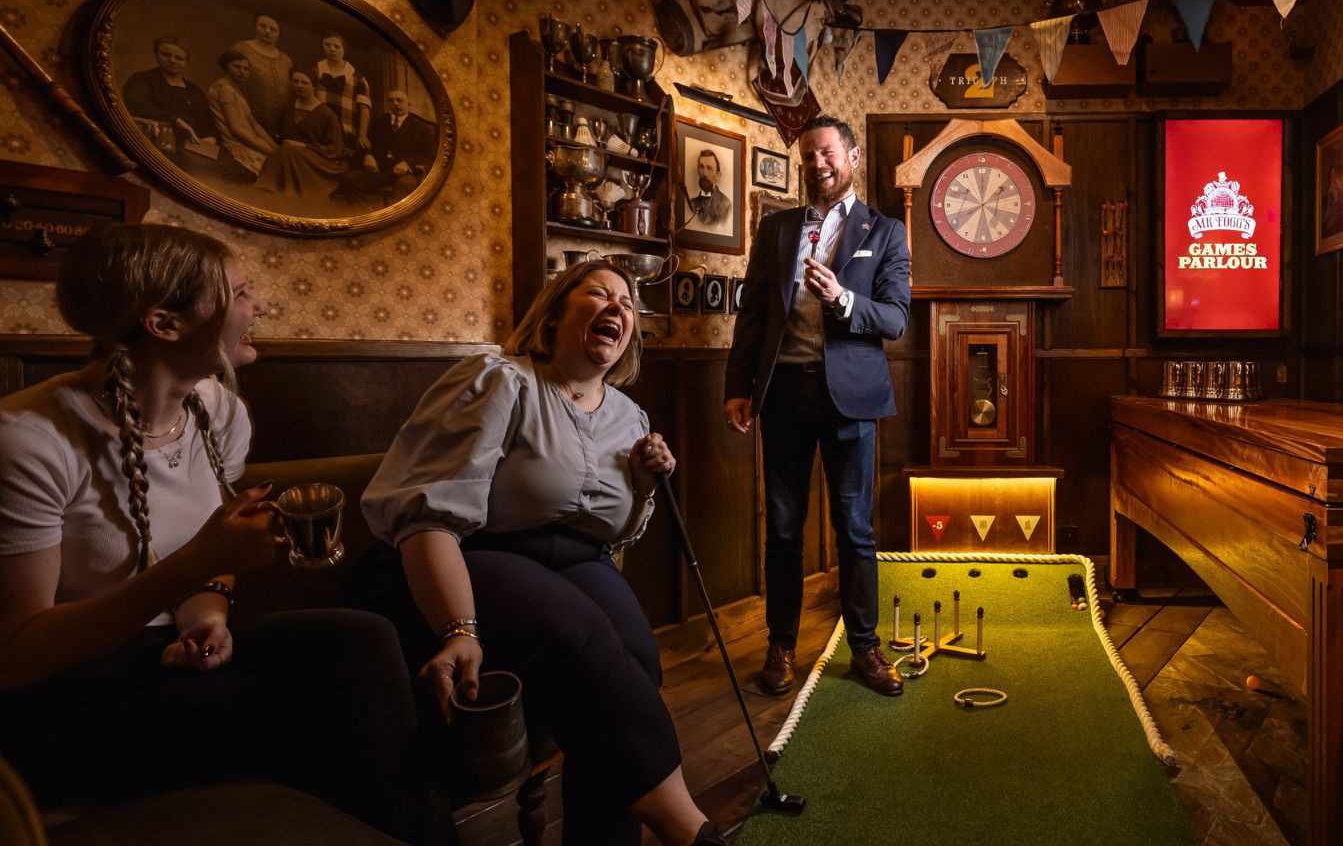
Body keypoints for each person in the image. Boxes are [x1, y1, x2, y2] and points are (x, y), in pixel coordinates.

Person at [0, 224, 450, 843]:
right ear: (164, 324)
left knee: (360, 639)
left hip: (168, 659)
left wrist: (205, 619)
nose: (259, 305)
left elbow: (209, 562)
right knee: (329, 717)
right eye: (238, 292)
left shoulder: (217, 409)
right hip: (65, 693)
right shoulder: (29, 440)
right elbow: (18, 656)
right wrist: (189, 571)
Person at [360, 262, 725, 846]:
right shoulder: (503, 380)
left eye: (628, 304)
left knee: (639, 660)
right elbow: (428, 514)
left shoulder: (630, 417)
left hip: (579, 560)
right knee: (577, 633)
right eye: (599, 294)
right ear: (555, 314)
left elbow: (617, 534)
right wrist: (459, 629)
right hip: (483, 550)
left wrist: (645, 484)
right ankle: (690, 830)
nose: (618, 308)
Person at [723, 116, 911, 697]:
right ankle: (781, 648)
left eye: (826, 153)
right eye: (808, 156)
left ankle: (865, 648)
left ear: (850, 157)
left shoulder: (886, 232)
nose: (816, 164)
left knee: (855, 530)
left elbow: (896, 319)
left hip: (851, 401)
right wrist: (739, 385)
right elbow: (753, 312)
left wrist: (843, 297)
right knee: (781, 529)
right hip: (782, 395)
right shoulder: (776, 229)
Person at [254, 70, 348, 198]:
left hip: (320, 161)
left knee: (286, 151)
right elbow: (278, 134)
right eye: (296, 81)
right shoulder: (288, 107)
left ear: (314, 86)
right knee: (284, 151)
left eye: (305, 83)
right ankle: (268, 192)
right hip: (290, 155)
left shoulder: (327, 114)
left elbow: (335, 150)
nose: (299, 85)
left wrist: (304, 146)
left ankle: (266, 190)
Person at [336, 89, 436, 206]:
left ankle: (398, 220)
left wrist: (407, 163)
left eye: (399, 100)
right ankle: (363, 215)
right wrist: (367, 155)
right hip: (380, 171)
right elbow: (366, 144)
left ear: (408, 105)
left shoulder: (422, 129)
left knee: (403, 185)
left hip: (407, 173)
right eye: (391, 100)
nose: (395, 103)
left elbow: (430, 157)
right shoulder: (379, 123)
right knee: (349, 179)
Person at [120, 35, 214, 148]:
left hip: (198, 146)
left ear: (186, 62)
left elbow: (209, 120)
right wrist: (177, 121)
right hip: (163, 144)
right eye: (165, 55)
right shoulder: (142, 79)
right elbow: (137, 107)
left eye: (179, 58)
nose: (172, 61)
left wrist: (212, 137)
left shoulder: (195, 90)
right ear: (156, 55)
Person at [205, 48, 278, 176]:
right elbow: (236, 128)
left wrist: (276, 148)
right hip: (238, 146)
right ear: (226, 67)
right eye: (237, 67)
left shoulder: (236, 89)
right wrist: (270, 152)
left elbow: (254, 124)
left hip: (251, 142)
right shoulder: (224, 88)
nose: (242, 71)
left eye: (246, 68)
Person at [229, 14, 293, 131]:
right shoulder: (241, 49)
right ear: (255, 26)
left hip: (279, 124)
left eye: (273, 29)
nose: (267, 31)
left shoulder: (286, 60)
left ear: (279, 33)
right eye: (263, 26)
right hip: (246, 118)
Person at [314, 32, 374, 149]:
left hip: (346, 133)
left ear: (344, 50)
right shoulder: (315, 72)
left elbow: (364, 109)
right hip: (319, 131)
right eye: (327, 45)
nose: (332, 49)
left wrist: (362, 136)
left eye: (336, 46)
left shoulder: (358, 78)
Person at [678, 148, 732, 231]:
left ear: (718, 176)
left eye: (709, 168)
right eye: (701, 167)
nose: (705, 173)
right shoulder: (691, 204)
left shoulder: (725, 204)